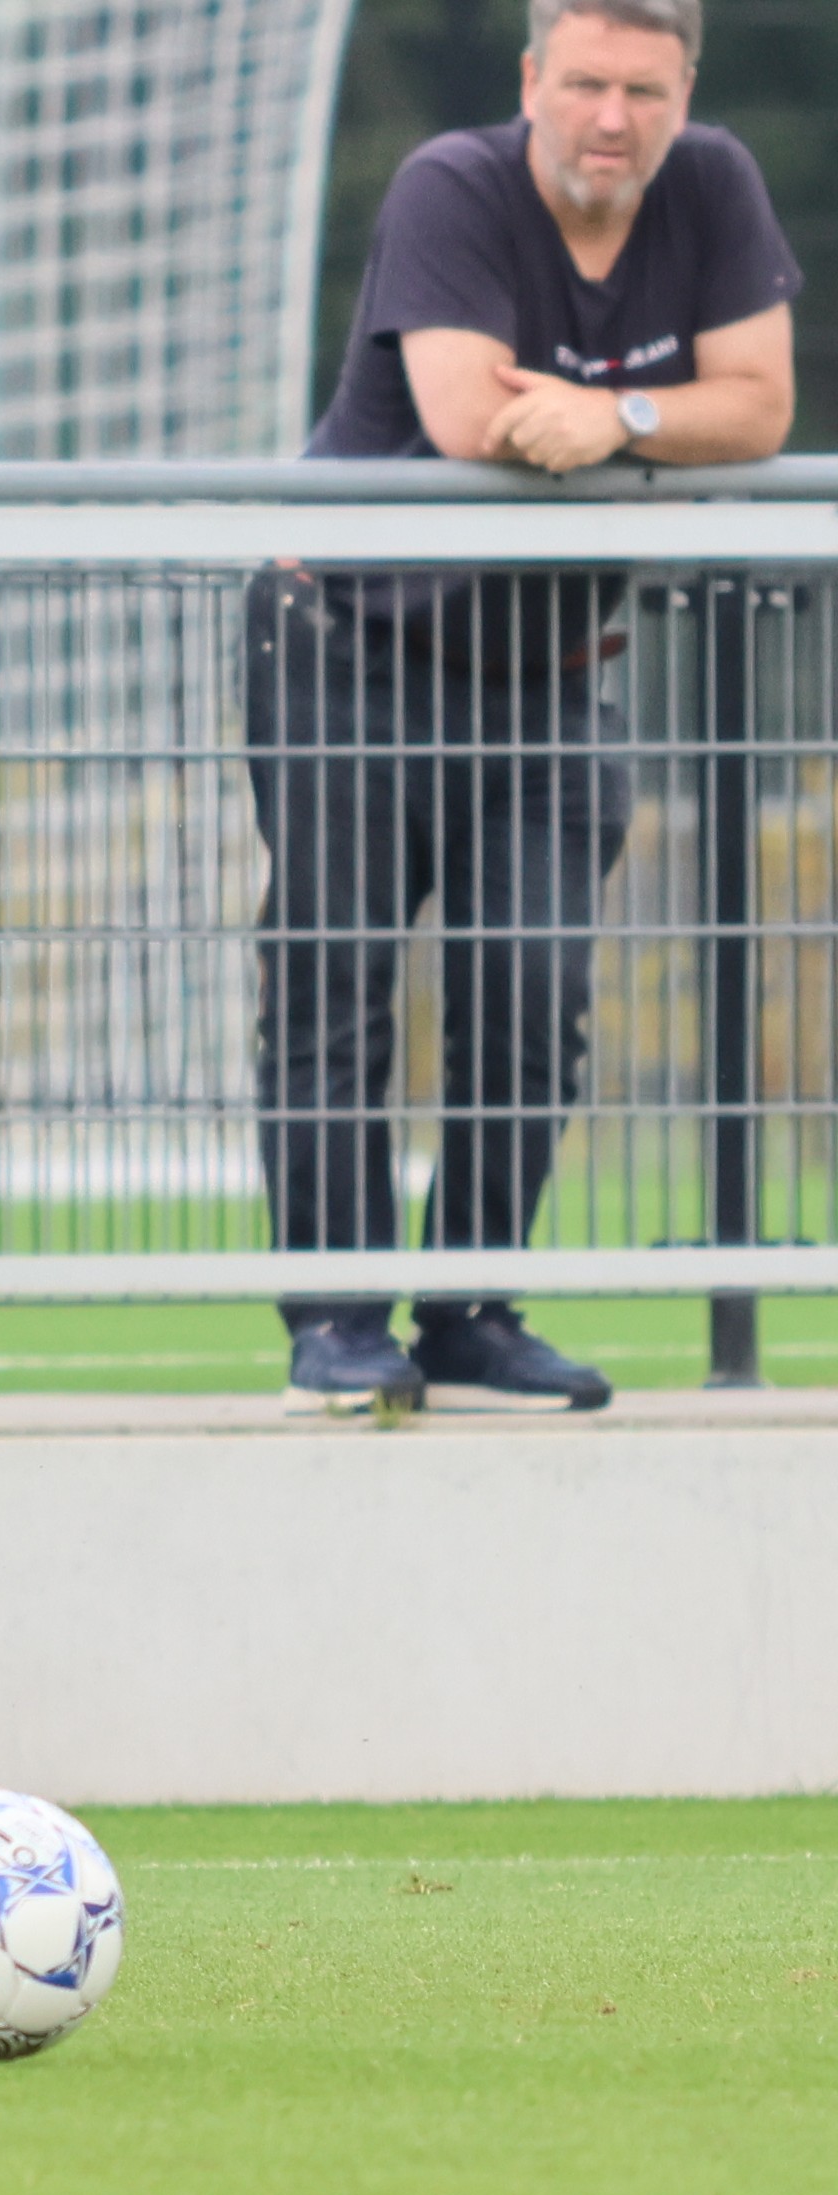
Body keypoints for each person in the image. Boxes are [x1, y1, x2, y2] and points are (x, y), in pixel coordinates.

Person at [258, 0, 798, 1415]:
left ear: (686, 91)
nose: (610, 118)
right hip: (350, 650)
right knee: (336, 987)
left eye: (642, 88)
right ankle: (335, 1320)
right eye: (582, 85)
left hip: (551, 680)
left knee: (533, 994)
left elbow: (762, 407)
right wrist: (658, 423)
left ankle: (472, 1308)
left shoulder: (717, 187)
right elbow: (464, 418)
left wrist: (615, 419)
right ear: (530, 82)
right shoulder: (453, 183)